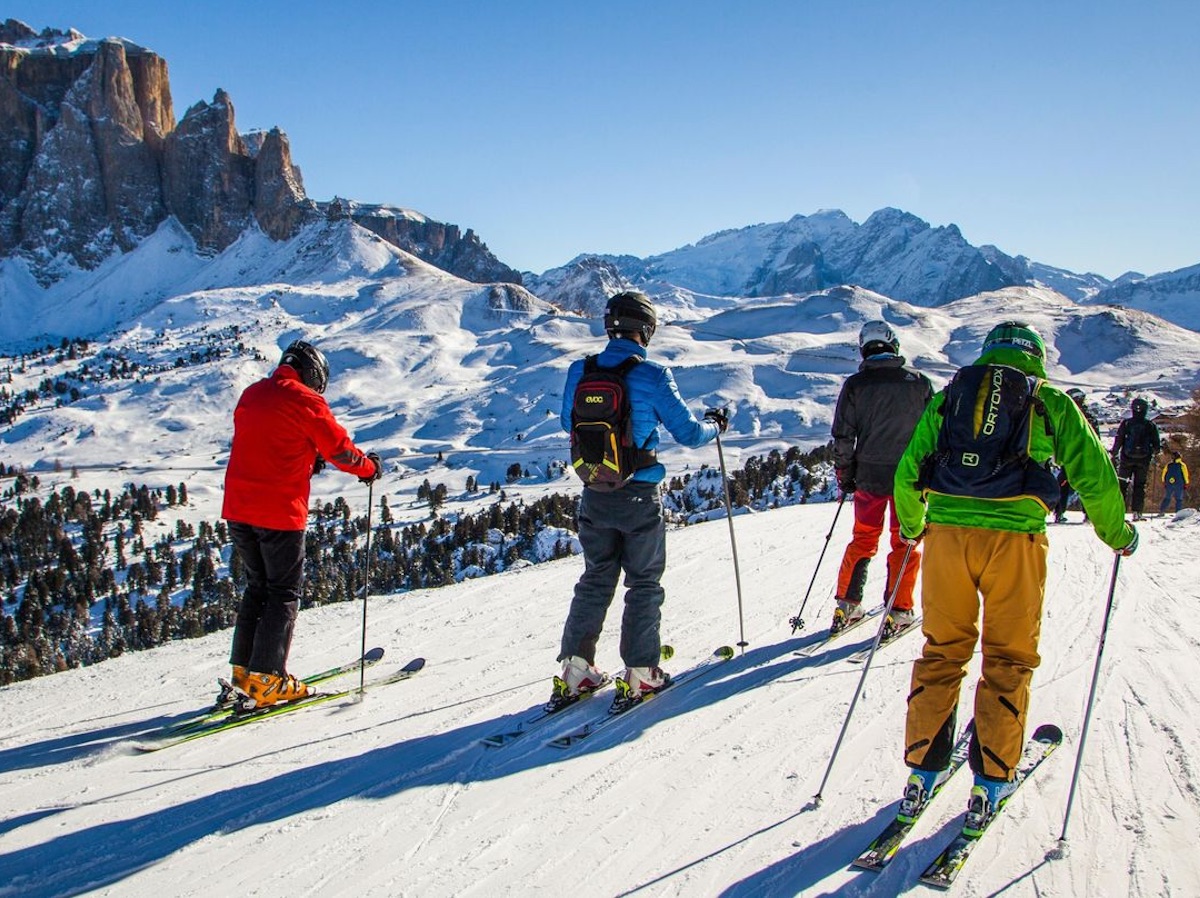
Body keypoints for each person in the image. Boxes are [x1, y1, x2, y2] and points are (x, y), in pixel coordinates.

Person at [893, 321, 1137, 834]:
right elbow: (1093, 473)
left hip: (946, 539)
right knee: (1008, 656)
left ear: (988, 355)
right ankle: (992, 781)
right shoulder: (1049, 401)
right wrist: (1117, 535)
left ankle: (922, 771)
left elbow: (909, 468)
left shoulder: (951, 397)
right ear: (1036, 357)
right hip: (1015, 543)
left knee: (942, 651)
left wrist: (915, 527)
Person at [556, 291, 724, 709]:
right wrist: (715, 427)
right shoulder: (652, 374)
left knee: (595, 580)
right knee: (644, 582)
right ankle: (641, 672)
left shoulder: (581, 370)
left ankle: (576, 671)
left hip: (594, 493)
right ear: (645, 329)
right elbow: (688, 433)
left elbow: (567, 422)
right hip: (639, 496)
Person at [223, 340, 382, 708]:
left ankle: (243, 674)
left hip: (238, 509)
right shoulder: (304, 400)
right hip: (278, 512)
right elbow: (340, 449)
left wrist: (304, 454)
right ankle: (268, 680)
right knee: (282, 593)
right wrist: (368, 468)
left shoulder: (252, 394)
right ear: (313, 374)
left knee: (257, 588)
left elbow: (268, 442)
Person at [830, 320, 934, 638]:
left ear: (865, 349)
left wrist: (845, 474)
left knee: (863, 538)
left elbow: (843, 435)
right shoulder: (920, 383)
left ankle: (847, 606)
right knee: (905, 540)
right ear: (894, 346)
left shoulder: (856, 385)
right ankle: (899, 610)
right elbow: (934, 435)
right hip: (910, 478)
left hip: (868, 476)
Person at [1053, 388, 1101, 523]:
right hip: (1085, 456)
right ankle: (1088, 514)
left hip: (1069, 455)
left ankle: (1059, 512)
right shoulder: (1089, 417)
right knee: (1087, 486)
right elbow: (1096, 438)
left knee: (1063, 484)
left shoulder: (1066, 416)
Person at [1111, 397, 1162, 521]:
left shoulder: (1127, 423)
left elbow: (1119, 439)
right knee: (1139, 486)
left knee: (1122, 484)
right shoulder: (1150, 425)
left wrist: (1114, 453)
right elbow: (1156, 444)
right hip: (1143, 460)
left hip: (1126, 459)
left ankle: (1120, 512)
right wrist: (1155, 453)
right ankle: (1137, 512)